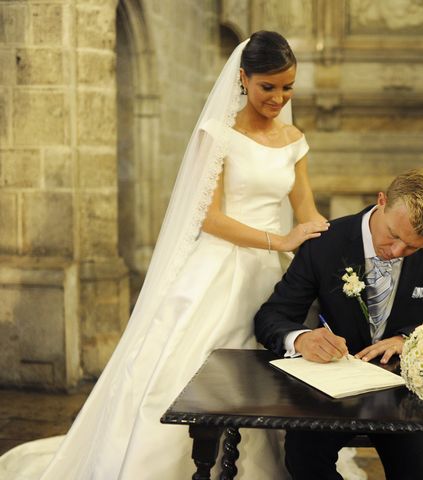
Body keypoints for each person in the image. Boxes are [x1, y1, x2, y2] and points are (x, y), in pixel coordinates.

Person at [0, 31, 330, 479]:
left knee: (262, 378)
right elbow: (208, 217)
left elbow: (305, 209)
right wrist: (280, 241)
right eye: (267, 86)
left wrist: (332, 246)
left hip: (271, 275)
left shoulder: (294, 139)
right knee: (188, 372)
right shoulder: (218, 135)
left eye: (287, 87)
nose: (278, 97)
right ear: (243, 79)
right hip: (221, 269)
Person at [255, 168, 423, 480]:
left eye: (414, 247)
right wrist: (301, 339)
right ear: (381, 201)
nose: (397, 252)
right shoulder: (325, 244)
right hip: (331, 390)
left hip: (404, 396)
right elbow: (271, 317)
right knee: (304, 460)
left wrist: (407, 340)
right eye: (394, 236)